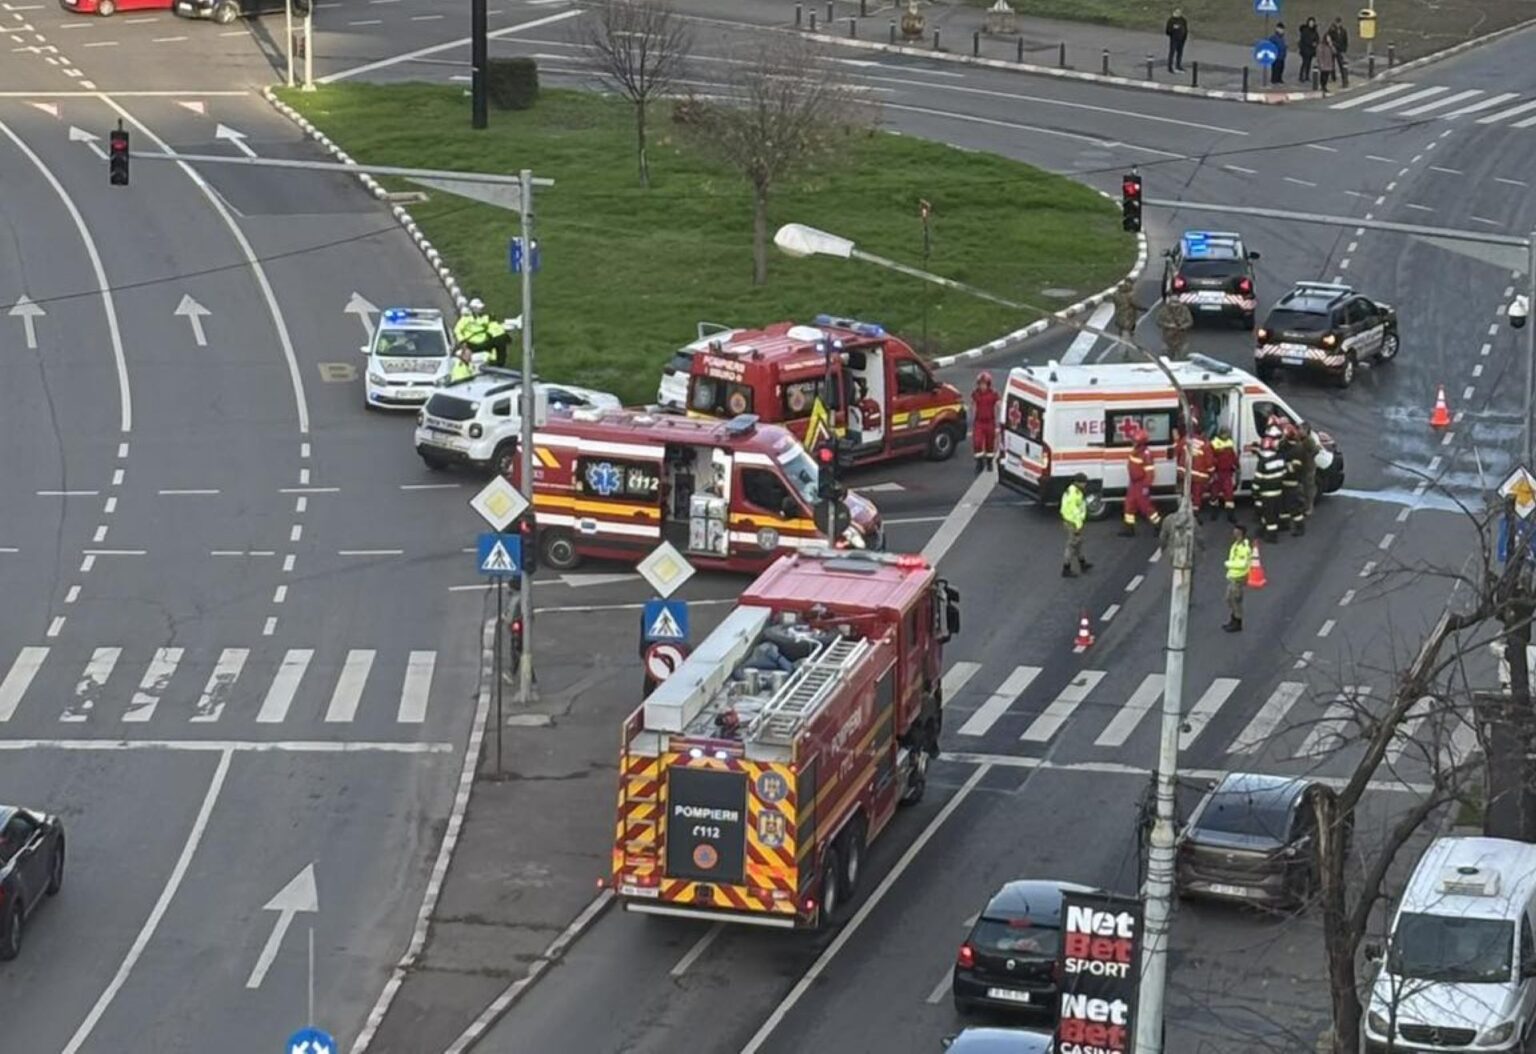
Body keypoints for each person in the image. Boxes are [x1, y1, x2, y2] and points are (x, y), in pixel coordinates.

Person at [1122, 433, 1162, 536]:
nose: (1133, 442)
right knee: (1129, 505)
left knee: (1146, 507)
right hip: (1134, 483)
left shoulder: (1146, 454)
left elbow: (1150, 473)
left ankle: (1158, 526)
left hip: (1141, 484)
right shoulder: (1136, 451)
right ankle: (1129, 529)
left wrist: (1146, 486)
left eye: (1135, 441)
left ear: (1141, 443)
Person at [1252, 432, 1287, 544]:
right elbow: (1284, 473)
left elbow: (1258, 480)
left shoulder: (1262, 462)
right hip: (1278, 492)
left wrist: (1255, 492)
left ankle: (1272, 536)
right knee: (1274, 513)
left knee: (1269, 515)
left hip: (1266, 493)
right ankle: (1264, 530)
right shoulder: (1280, 458)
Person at [1061, 473, 1093, 577]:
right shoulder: (1074, 494)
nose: (1085, 485)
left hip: (1072, 521)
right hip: (1073, 522)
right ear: (1079, 483)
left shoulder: (1074, 490)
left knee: (1078, 543)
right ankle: (1066, 568)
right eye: (1084, 483)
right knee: (1071, 545)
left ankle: (1082, 563)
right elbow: (1074, 511)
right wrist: (1078, 526)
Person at [1223, 524, 1253, 633]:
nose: (1233, 533)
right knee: (1229, 599)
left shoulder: (1244, 548)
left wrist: (1228, 564)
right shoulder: (1236, 545)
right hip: (1233, 575)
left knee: (1235, 599)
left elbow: (1243, 564)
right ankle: (1234, 619)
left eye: (1236, 531)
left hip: (1239, 577)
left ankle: (1237, 622)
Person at [970, 371, 1000, 474]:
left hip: (990, 422)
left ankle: (989, 462)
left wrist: (999, 422)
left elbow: (999, 405)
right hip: (979, 422)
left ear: (988, 384)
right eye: (981, 384)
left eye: (984, 384)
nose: (982, 386)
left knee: (990, 444)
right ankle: (979, 463)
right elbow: (973, 406)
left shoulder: (993, 394)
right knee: (977, 442)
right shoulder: (975, 394)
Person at [1281, 425, 1305, 536]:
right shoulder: (1285, 446)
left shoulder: (1298, 450)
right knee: (1284, 506)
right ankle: (1284, 524)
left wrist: (1284, 467)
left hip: (1292, 483)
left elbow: (1295, 469)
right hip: (1284, 482)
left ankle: (1300, 528)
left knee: (1294, 507)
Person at [1210, 426, 1238, 522]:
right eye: (1225, 433)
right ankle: (1214, 513)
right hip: (1218, 473)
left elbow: (1233, 456)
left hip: (1227, 473)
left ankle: (1231, 515)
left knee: (1229, 495)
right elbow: (1211, 459)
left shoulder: (1230, 443)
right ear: (1221, 434)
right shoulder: (1214, 443)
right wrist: (1213, 472)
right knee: (1214, 495)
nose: (1226, 435)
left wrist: (1236, 465)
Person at [1298, 421, 1320, 517]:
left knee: (1308, 489)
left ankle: (1309, 507)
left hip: (1308, 468)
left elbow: (1315, 450)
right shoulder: (1300, 439)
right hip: (1302, 467)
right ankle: (1304, 506)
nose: (1299, 431)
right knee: (1301, 488)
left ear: (1306, 430)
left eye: (1301, 429)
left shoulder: (1309, 441)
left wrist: (1308, 457)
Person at [1112, 280, 1142, 346]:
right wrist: (1143, 309)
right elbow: (1135, 304)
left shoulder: (1116, 294)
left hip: (1119, 315)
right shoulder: (1130, 295)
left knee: (1121, 330)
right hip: (1128, 317)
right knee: (1127, 332)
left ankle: (1121, 341)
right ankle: (1125, 349)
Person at [1326, 16, 1350, 87]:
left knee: (1341, 65)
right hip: (1332, 49)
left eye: (1339, 23)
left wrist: (1344, 49)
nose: (1338, 24)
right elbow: (1328, 38)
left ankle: (1344, 79)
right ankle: (1333, 77)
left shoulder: (1343, 31)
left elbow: (1345, 40)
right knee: (1332, 64)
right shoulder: (1331, 30)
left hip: (1340, 50)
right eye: (1337, 23)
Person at [1164, 7, 1189, 73]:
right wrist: (1174, 28)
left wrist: (1185, 37)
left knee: (1180, 53)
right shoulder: (1171, 20)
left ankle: (1178, 65)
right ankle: (1170, 67)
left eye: (1179, 12)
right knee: (1172, 53)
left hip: (1181, 39)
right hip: (1174, 39)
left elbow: (1185, 29)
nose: (1178, 13)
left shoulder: (1183, 20)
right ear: (1174, 12)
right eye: (1177, 12)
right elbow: (1167, 31)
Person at [1298, 17, 1319, 82]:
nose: (1311, 24)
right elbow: (1304, 40)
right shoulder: (1305, 30)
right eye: (1310, 22)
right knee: (1304, 63)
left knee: (1309, 64)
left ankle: (1307, 76)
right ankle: (1301, 76)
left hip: (1311, 50)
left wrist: (1316, 43)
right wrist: (1311, 43)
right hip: (1305, 50)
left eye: (1312, 22)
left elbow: (1317, 38)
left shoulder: (1315, 31)